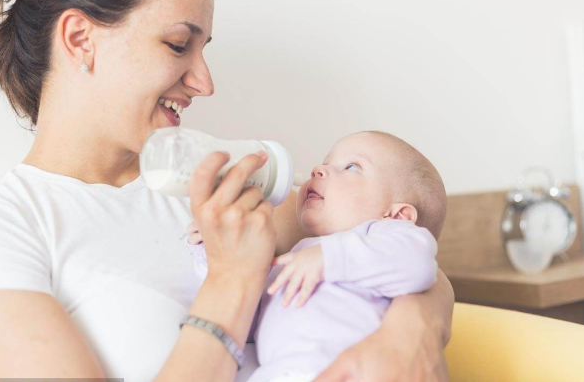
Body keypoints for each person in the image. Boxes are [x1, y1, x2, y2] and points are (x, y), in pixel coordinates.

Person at [0, 0, 455, 381]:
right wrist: (231, 281)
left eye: (203, 49)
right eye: (177, 44)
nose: (205, 83)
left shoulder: (215, 179)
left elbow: (399, 248)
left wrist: (411, 331)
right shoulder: (6, 234)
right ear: (81, 38)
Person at [187, 131, 446, 382]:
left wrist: (328, 257)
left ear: (397, 216)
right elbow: (244, 319)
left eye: (352, 167)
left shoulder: (381, 238)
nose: (317, 170)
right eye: (324, 163)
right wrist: (212, 249)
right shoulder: (297, 254)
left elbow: (417, 262)